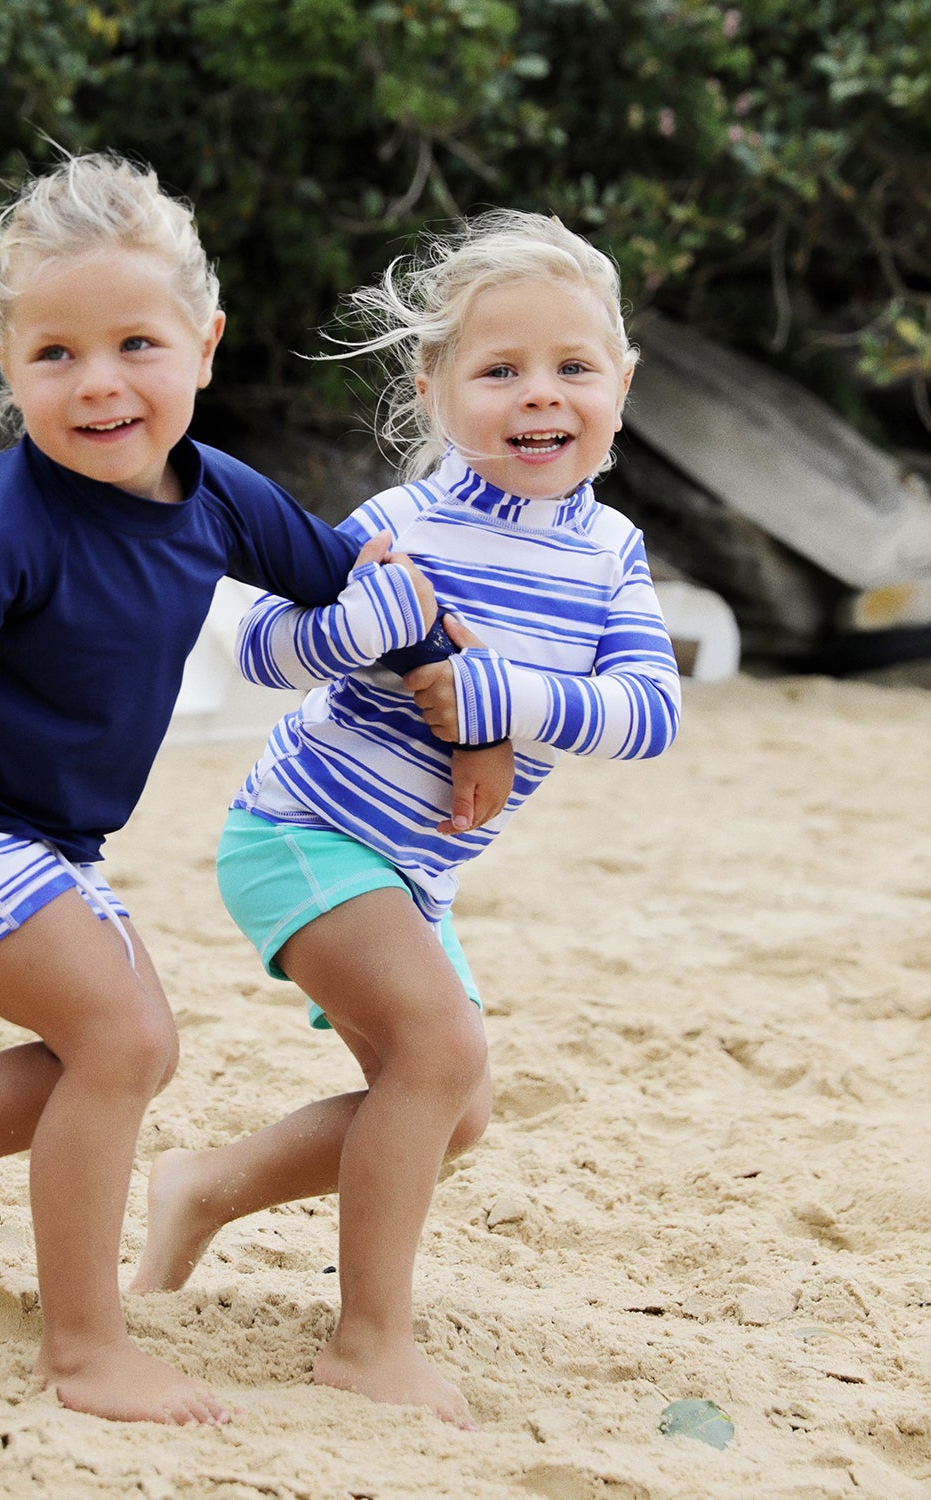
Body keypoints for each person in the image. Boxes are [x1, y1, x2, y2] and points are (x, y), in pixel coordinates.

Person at [0, 153, 502, 1425]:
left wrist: (461, 687)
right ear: (6, 364)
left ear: (204, 346)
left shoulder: (217, 495)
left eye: (136, 344)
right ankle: (81, 1350)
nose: (100, 381)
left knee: (128, 1050)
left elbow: (351, 584)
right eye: (56, 353)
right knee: (120, 1041)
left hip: (48, 839)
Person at [132, 209, 682, 1426]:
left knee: (455, 1109)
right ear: (435, 390)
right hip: (304, 830)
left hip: (416, 876)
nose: (540, 395)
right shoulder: (404, 524)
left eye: (574, 366)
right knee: (440, 1058)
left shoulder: (611, 554)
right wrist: (358, 626)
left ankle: (204, 1189)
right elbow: (262, 645)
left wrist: (499, 698)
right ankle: (368, 1342)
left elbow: (649, 715)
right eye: (501, 370)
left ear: (622, 384)